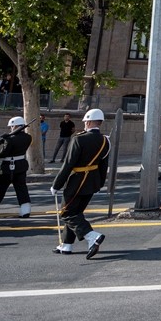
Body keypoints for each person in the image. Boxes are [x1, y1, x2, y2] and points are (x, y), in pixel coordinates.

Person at [51, 108, 110, 257]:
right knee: (76, 213)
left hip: (78, 180)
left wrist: (56, 184)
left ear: (89, 122)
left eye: (85, 122)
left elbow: (68, 164)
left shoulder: (78, 138)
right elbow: (104, 164)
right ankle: (66, 245)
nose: (84, 124)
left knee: (66, 212)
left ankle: (92, 236)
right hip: (93, 181)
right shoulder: (105, 140)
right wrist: (100, 183)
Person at [0, 116, 33, 217]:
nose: (10, 128)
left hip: (7, 167)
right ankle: (25, 210)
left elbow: (3, 153)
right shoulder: (28, 137)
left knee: (0, 188)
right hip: (21, 165)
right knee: (21, 188)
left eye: (11, 126)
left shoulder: (10, 139)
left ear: (15, 126)